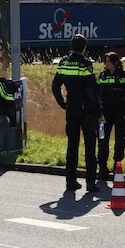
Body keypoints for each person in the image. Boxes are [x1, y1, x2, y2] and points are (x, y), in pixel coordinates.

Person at [51, 34, 98, 191]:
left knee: (72, 146)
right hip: (86, 110)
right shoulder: (85, 64)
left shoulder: (63, 62)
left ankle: (70, 182)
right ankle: (90, 183)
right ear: (84, 47)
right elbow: (91, 91)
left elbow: (55, 86)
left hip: (71, 109)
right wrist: (99, 111)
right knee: (90, 147)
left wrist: (63, 104)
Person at [96, 51, 125, 182]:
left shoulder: (124, 75)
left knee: (119, 138)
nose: (105, 64)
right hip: (104, 113)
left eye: (107, 61)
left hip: (121, 111)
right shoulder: (102, 75)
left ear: (115, 63)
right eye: (104, 61)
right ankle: (102, 167)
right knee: (102, 139)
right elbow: (97, 90)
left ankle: (118, 164)